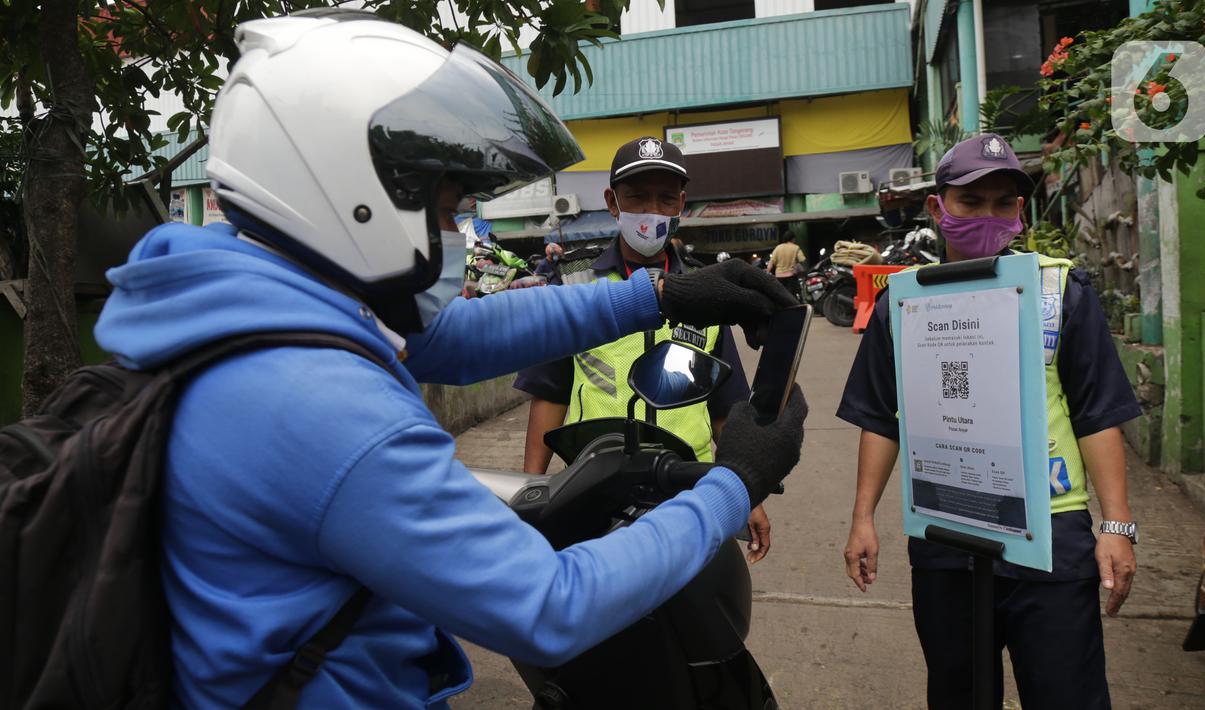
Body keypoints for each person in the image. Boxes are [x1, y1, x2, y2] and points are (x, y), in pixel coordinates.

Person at [93, 12, 807, 708]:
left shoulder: (246, 308)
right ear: (353, 196)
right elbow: (548, 606)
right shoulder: (322, 407)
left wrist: (658, 296)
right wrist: (732, 484)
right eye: (446, 209)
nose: (457, 233)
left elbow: (452, 337)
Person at [837, 134, 1141, 709]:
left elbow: (1098, 413)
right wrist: (863, 519)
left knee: (1066, 695)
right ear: (937, 208)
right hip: (947, 535)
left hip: (1050, 535)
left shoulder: (1058, 292)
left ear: (1021, 214)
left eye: (1004, 203)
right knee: (959, 694)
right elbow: (880, 417)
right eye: (970, 202)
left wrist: (1117, 525)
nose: (988, 216)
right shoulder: (905, 302)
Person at [514, 136, 778, 563]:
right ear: (613, 202)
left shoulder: (707, 290)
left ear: (681, 205)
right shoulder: (574, 280)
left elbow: (726, 408)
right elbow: (549, 391)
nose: (651, 211)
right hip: (590, 481)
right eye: (637, 197)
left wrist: (747, 493)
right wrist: (530, 492)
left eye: (665, 199)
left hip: (688, 486)